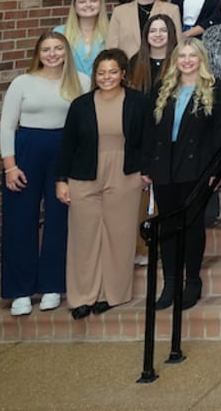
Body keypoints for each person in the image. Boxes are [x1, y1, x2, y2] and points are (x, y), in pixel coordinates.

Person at [0, 32, 88, 316]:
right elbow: (6, 126)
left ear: (66, 52)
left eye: (58, 48)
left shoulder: (81, 82)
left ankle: (52, 284)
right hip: (26, 151)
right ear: (38, 53)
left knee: (59, 219)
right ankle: (20, 291)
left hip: (64, 153)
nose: (52, 54)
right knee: (19, 219)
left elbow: (85, 127)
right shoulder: (22, 83)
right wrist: (10, 166)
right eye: (46, 49)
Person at [55, 49, 145, 319]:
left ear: (123, 74)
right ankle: (83, 296)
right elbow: (67, 146)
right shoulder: (80, 105)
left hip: (125, 173)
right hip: (84, 174)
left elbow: (147, 140)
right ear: (95, 75)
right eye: (101, 72)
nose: (107, 77)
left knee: (119, 235)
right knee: (84, 237)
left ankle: (111, 294)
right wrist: (61, 180)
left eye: (113, 72)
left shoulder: (138, 102)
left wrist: (146, 172)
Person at [142, 38, 221, 310]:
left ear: (201, 59)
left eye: (193, 55)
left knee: (191, 227)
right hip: (164, 168)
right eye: (182, 56)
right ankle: (170, 283)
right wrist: (147, 168)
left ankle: (192, 281)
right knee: (167, 228)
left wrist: (216, 171)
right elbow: (149, 130)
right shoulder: (162, 89)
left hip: (198, 169)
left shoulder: (217, 89)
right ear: (175, 60)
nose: (187, 61)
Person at [107, 0, 182, 59]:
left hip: (161, 68)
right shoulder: (120, 12)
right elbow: (111, 47)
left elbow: (177, 45)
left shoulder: (172, 10)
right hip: (128, 68)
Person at [54, 0, 108, 78]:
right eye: (82, 2)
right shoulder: (60, 33)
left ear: (101, 5)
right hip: (70, 86)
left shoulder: (110, 32)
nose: (88, 5)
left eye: (93, 1)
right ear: (75, 7)